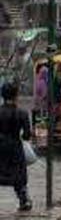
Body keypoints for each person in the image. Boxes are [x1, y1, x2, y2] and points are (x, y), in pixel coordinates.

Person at [0, 83, 33, 211]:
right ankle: (23, 200)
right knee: (18, 176)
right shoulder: (22, 113)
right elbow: (26, 135)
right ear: (16, 96)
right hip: (15, 147)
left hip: (0, 147)